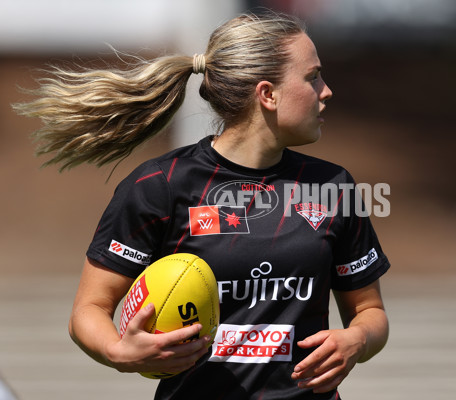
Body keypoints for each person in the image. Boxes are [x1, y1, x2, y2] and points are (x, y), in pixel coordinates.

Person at [14, 10, 390, 400]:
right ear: (268, 94)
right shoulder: (160, 185)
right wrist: (118, 351)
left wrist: (358, 339)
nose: (326, 90)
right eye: (312, 77)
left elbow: (371, 313)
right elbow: (88, 310)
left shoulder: (331, 186)